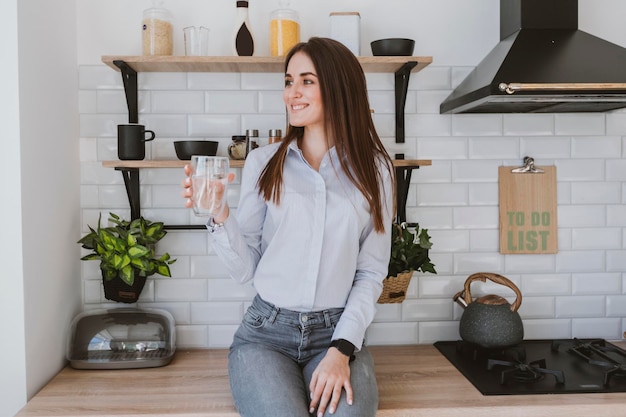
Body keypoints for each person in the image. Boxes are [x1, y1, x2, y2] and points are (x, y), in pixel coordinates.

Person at [182, 37, 395, 417]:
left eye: (307, 81)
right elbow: (246, 269)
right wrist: (219, 214)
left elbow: (371, 271)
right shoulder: (263, 163)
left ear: (338, 87)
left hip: (336, 333)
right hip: (265, 336)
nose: (291, 93)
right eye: (288, 80)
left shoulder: (375, 169)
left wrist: (342, 349)